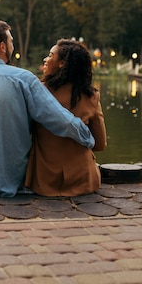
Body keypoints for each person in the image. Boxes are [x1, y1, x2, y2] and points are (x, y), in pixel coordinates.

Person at [0, 21, 95, 197]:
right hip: (12, 179)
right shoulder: (24, 79)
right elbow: (58, 118)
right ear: (2, 46)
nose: (12, 45)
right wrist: (87, 137)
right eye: (11, 41)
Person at [25, 39, 107, 196]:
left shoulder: (38, 93)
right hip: (84, 180)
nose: (45, 59)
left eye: (50, 55)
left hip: (44, 181)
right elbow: (100, 143)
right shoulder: (91, 96)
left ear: (62, 63)